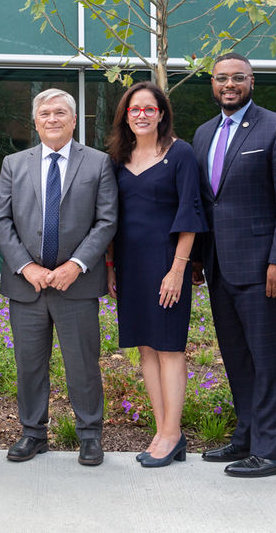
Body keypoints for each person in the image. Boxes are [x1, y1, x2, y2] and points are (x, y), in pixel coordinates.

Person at [192, 52, 276, 477]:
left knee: (269, 358)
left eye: (237, 78)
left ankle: (274, 451)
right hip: (221, 266)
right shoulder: (204, 134)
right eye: (221, 78)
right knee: (236, 356)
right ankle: (247, 437)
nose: (229, 84)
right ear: (212, 83)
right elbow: (208, 202)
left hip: (264, 269)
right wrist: (200, 260)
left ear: (252, 81)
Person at [0, 88, 118, 466]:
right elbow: (1, 219)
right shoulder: (14, 164)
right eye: (45, 113)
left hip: (75, 284)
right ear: (35, 121)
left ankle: (90, 435)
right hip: (26, 285)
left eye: (60, 112)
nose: (52, 119)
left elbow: (107, 219)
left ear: (74, 120)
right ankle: (33, 434)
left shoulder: (97, 163)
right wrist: (26, 266)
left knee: (82, 363)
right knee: (29, 364)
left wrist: (76, 265)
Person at [105, 81, 206, 468]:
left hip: (166, 264)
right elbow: (112, 218)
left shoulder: (179, 154)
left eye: (149, 108)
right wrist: (112, 267)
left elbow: (190, 214)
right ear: (125, 117)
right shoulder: (118, 157)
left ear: (162, 113)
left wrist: (178, 270)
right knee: (146, 348)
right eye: (135, 109)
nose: (142, 115)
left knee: (169, 347)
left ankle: (173, 432)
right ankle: (162, 430)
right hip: (130, 267)